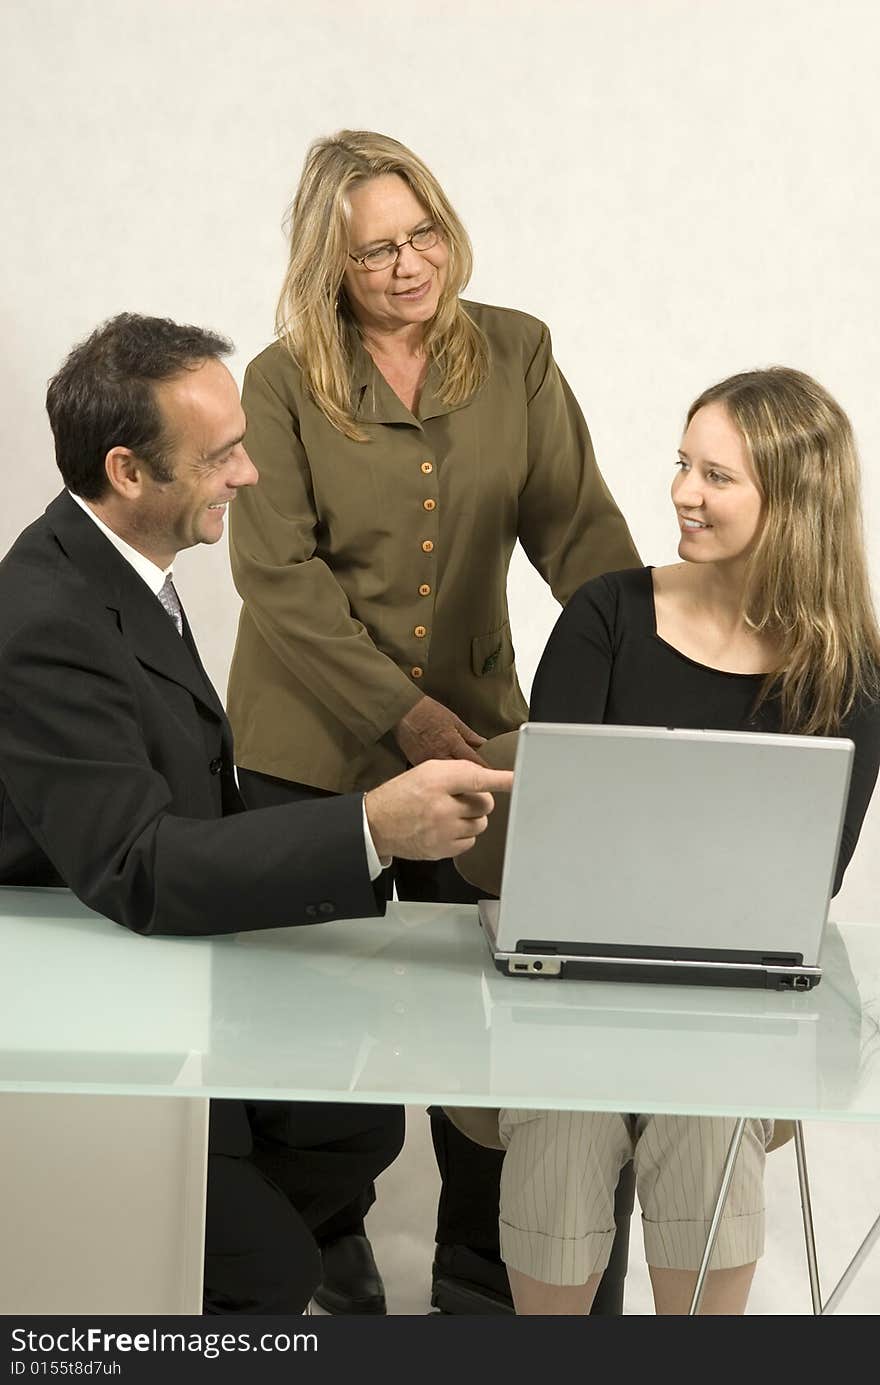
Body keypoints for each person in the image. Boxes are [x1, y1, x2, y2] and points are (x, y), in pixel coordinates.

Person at [0, 312, 513, 1317]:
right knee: (271, 1269)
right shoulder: (48, 619)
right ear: (129, 470)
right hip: (94, 1017)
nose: (249, 475)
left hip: (163, 969)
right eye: (222, 455)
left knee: (357, 1128)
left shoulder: (122, 573)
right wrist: (371, 827)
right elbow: (139, 865)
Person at [225, 129, 641, 1315]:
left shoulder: (516, 350)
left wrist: (652, 685)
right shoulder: (278, 380)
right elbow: (279, 577)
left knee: (492, 1025)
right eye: (374, 253)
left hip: (482, 747)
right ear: (327, 266)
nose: (409, 266)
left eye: (423, 234)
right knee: (318, 1050)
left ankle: (480, 1268)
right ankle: (320, 1249)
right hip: (311, 756)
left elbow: (581, 538)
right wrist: (397, 713)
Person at [492, 366, 880, 1314]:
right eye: (682, 463)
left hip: (732, 1006)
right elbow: (542, 841)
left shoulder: (851, 675)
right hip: (568, 990)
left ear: (791, 503)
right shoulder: (607, 617)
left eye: (716, 476)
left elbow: (806, 883)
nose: (682, 492)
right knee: (566, 1124)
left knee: (710, 1110)